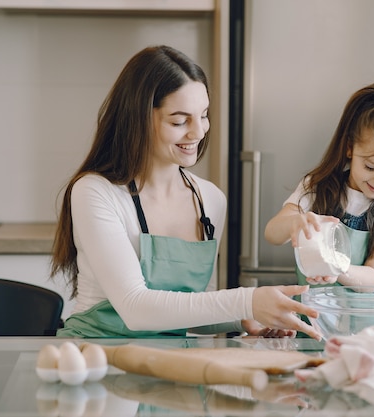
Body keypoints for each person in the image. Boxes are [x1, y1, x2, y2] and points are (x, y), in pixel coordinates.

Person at [51, 45, 321, 339]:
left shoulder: (210, 200)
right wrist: (247, 301)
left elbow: (192, 311)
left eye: (203, 115)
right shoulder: (95, 192)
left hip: (166, 364)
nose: (198, 132)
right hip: (95, 357)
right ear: (138, 118)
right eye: (180, 121)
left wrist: (243, 319)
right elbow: (135, 308)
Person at [265, 81, 374, 288]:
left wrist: (336, 268)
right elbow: (272, 233)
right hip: (311, 316)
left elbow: (373, 279)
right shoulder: (317, 188)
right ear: (350, 148)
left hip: (368, 319)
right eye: (370, 167)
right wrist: (294, 222)